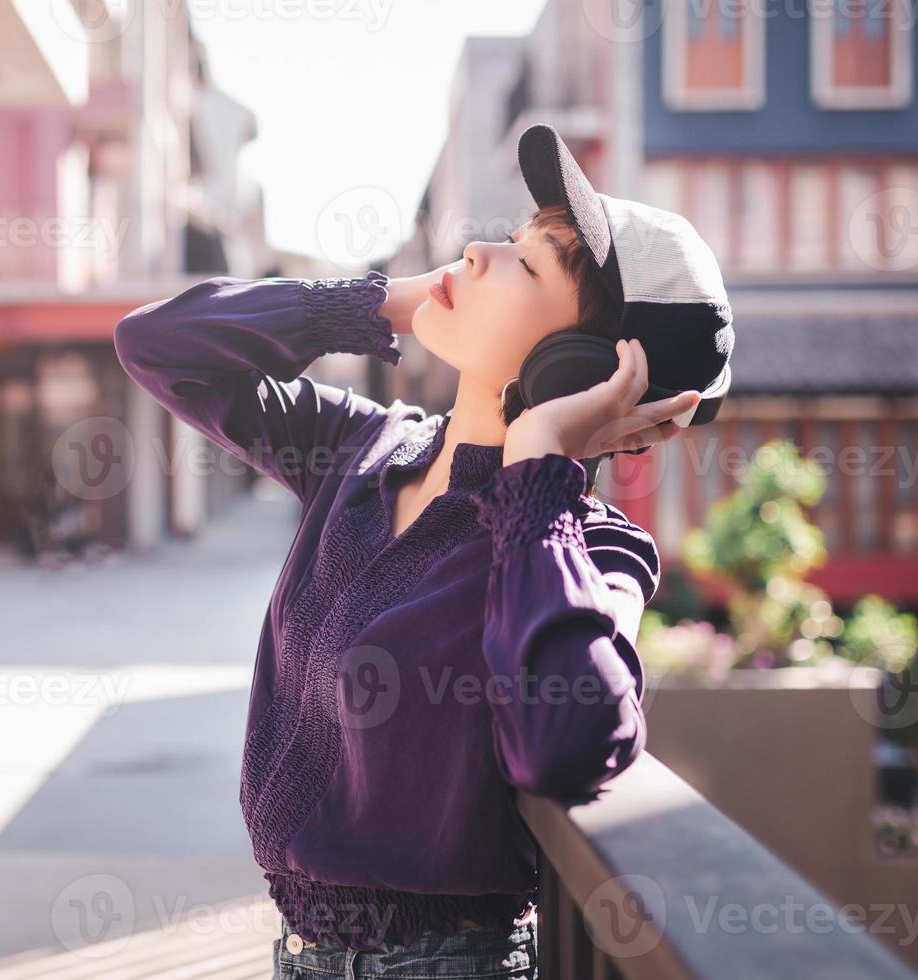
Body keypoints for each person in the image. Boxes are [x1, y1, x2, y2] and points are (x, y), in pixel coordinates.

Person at [113, 123, 734, 979]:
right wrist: (379, 303)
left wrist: (539, 466)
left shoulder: (588, 545)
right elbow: (156, 346)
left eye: (529, 262)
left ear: (579, 363)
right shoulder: (361, 447)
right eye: (505, 239)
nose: (477, 252)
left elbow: (565, 741)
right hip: (293, 956)